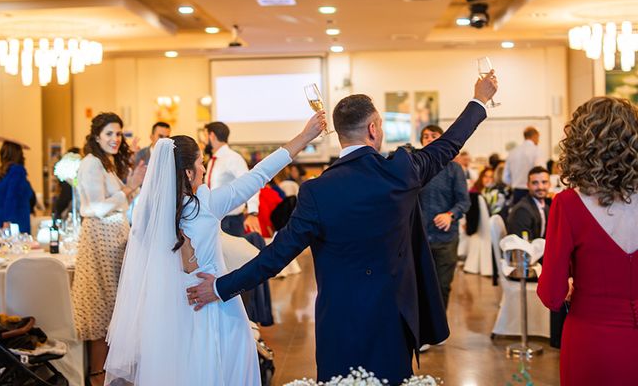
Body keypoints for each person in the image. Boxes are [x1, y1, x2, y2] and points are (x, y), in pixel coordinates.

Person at [187, 73, 497, 384]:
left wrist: (219, 287)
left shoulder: (316, 191)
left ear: (340, 136)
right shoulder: (402, 171)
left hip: (338, 318)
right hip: (393, 315)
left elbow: (275, 256)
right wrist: (479, 100)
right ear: (373, 129)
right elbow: (449, 144)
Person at [104, 113, 325, 385]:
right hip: (212, 306)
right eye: (200, 163)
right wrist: (304, 136)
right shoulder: (206, 205)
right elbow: (260, 174)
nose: (204, 169)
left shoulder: (147, 213)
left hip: (168, 314)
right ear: (188, 171)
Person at [538, 97, 638, 385]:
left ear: (579, 145)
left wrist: (568, 283)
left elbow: (551, 295)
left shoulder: (567, 204)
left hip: (592, 338)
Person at [72, 113, 146, 386]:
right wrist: (131, 187)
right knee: (102, 310)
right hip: (99, 239)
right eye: (109, 134)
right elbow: (95, 207)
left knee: (115, 307)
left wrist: (131, 186)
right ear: (96, 137)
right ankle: (97, 375)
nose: (115, 139)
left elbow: (121, 201)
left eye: (118, 134)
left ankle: (111, 375)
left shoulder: (107, 164)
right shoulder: (91, 163)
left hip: (114, 237)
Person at [418, 125, 470, 311]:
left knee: (442, 285)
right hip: (419, 238)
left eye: (434, 136)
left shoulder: (454, 169)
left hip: (445, 239)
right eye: (425, 136)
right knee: (420, 286)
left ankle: (438, 328)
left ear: (442, 139)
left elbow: (464, 202)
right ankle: (423, 328)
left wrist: (450, 215)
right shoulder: (416, 169)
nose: (429, 139)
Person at [205, 121, 260, 236]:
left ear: (212, 136)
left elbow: (250, 183)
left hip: (230, 222)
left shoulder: (233, 158)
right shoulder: (213, 160)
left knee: (231, 254)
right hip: (214, 219)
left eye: (205, 136)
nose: (204, 140)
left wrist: (252, 212)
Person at [0, 139, 34, 234]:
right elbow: (11, 196)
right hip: (15, 220)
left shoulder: (2, 172)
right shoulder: (17, 171)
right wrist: (7, 220)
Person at [506, 166, 551, 241]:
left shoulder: (545, 207)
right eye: (535, 183)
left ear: (550, 184)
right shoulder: (522, 211)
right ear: (528, 185)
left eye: (544, 182)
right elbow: (523, 245)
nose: (540, 187)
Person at [504, 127, 543, 204]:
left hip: (516, 193)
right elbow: (540, 172)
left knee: (519, 214)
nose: (538, 141)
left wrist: (514, 183)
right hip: (533, 192)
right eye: (538, 138)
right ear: (535, 136)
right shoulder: (536, 151)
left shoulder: (512, 152)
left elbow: (505, 178)